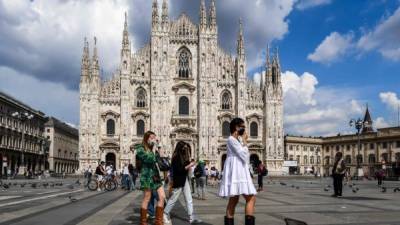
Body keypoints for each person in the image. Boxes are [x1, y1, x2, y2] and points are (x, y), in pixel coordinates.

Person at [219, 117, 256, 225]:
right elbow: (244, 155)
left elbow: (246, 157)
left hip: (239, 170)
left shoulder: (236, 140)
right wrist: (245, 141)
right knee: (251, 198)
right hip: (237, 172)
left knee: (234, 200)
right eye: (243, 127)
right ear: (236, 127)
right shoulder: (231, 139)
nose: (244, 129)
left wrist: (243, 141)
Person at [163, 141, 202, 224]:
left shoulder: (183, 157)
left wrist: (190, 161)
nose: (186, 149)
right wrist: (189, 165)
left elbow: (186, 166)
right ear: (180, 148)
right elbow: (179, 170)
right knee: (173, 199)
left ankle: (191, 217)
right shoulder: (176, 157)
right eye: (184, 147)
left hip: (185, 180)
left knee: (189, 199)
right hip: (179, 180)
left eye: (187, 148)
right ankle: (164, 214)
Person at [135, 131, 166, 225]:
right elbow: (149, 159)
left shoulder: (154, 148)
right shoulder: (140, 149)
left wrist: (159, 148)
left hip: (155, 176)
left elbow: (159, 159)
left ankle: (158, 221)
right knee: (147, 198)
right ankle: (143, 222)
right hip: (146, 176)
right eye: (152, 137)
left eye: (154, 138)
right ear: (146, 138)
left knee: (162, 197)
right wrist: (153, 149)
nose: (153, 140)